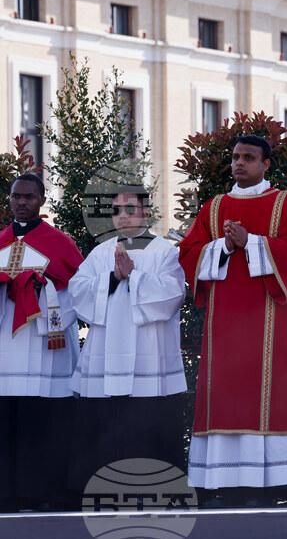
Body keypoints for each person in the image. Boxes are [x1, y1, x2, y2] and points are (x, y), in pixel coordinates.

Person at [179, 135, 287, 506]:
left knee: (269, 394)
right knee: (225, 395)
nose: (239, 163)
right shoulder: (213, 207)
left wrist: (251, 242)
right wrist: (223, 246)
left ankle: (273, 483)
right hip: (224, 327)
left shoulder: (286, 205)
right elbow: (188, 252)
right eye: (236, 157)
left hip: (272, 322)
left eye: (249, 158)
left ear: (266, 164)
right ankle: (223, 482)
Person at [69, 187, 187, 490]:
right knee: (104, 427)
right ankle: (102, 491)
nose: (122, 216)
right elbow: (77, 292)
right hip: (105, 357)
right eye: (116, 210)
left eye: (129, 209)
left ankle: (151, 491)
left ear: (146, 213)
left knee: (147, 426)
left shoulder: (165, 251)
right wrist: (112, 278)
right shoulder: (101, 252)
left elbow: (173, 295)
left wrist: (134, 276)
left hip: (149, 360)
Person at [0, 173, 84, 511]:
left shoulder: (60, 242)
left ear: (42, 200)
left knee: (44, 421)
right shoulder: (1, 239)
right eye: (16, 196)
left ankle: (46, 493)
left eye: (29, 197)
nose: (21, 202)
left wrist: (42, 289)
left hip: (43, 344)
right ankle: (6, 493)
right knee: (7, 421)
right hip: (6, 346)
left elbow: (79, 291)